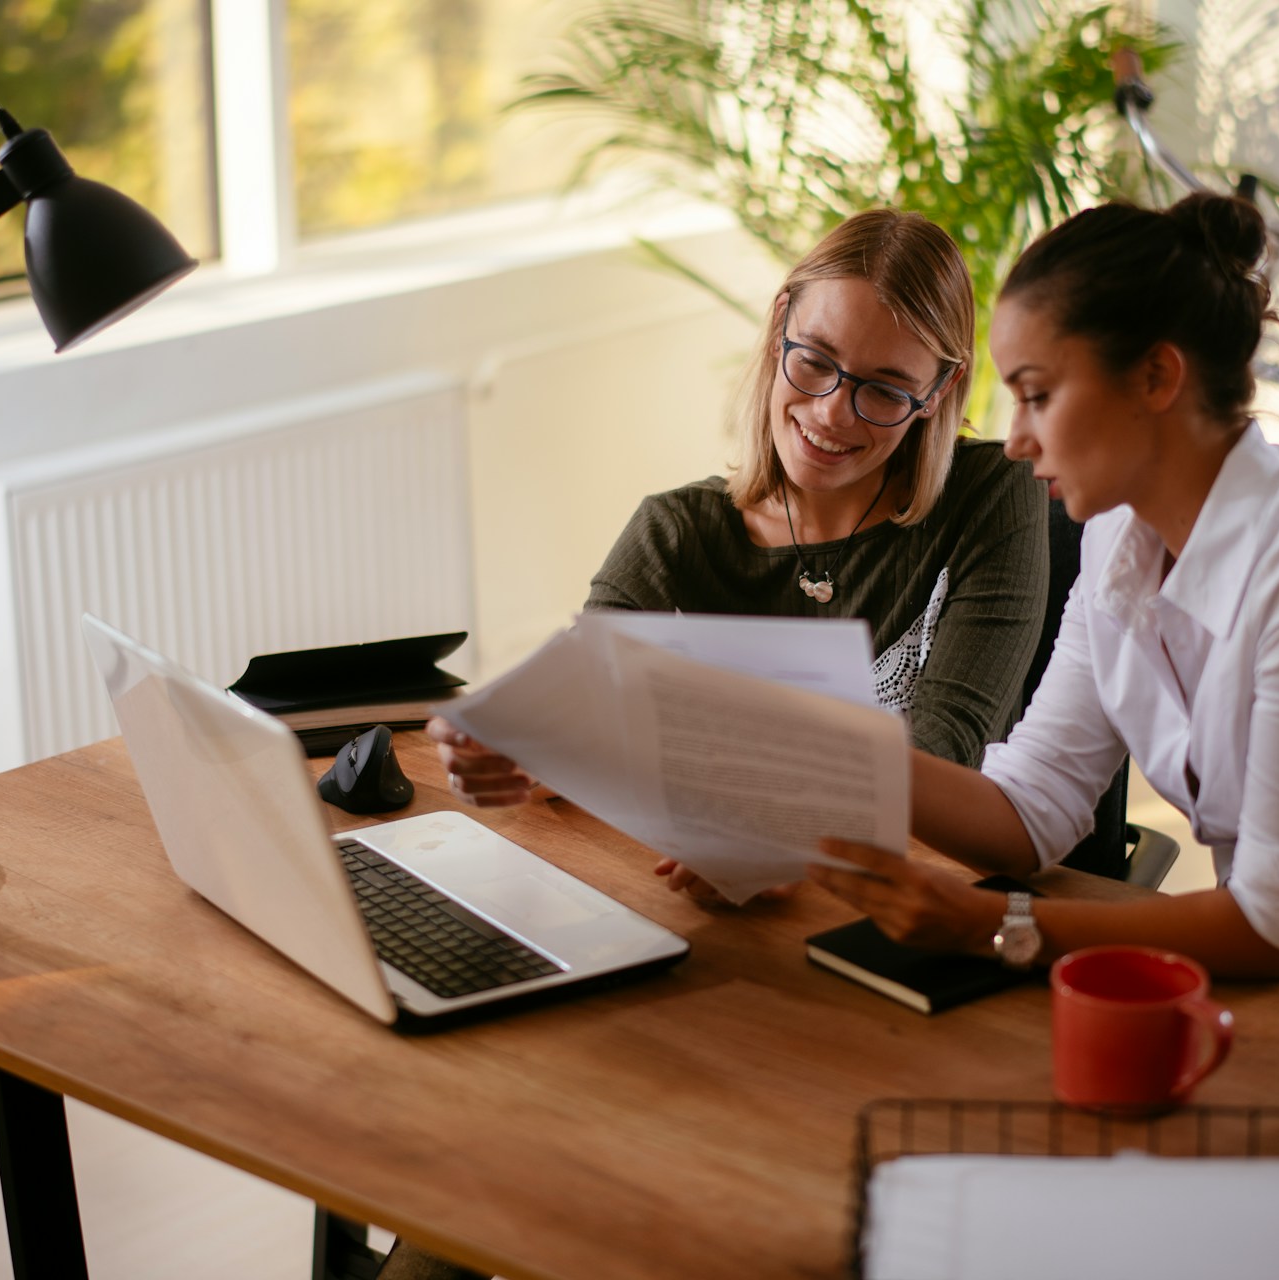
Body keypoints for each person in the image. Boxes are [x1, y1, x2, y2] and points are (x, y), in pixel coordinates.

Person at [803, 192, 1279, 981]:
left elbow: (1275, 925)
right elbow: (1035, 804)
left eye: (1038, 395)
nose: (1016, 441)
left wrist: (991, 922)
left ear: (1157, 375)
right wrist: (827, 756)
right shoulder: (1119, 541)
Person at [434, 209, 1049, 902]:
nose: (831, 414)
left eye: (882, 388)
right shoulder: (675, 531)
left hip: (927, 910)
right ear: (779, 322)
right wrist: (524, 752)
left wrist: (773, 826)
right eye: (815, 361)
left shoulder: (994, 496)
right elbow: (584, 720)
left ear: (937, 391)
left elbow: (947, 747)